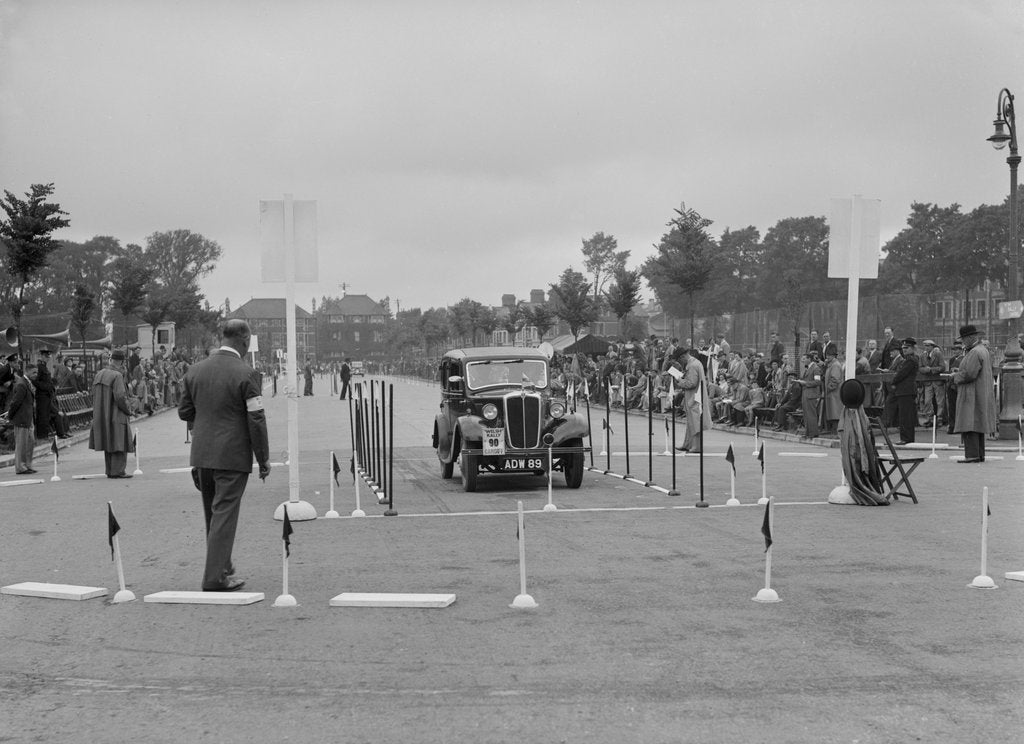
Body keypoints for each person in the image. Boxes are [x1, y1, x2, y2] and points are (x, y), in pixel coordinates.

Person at [178, 319, 270, 592]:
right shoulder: (247, 374)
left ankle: (224, 566)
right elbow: (256, 419)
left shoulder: (195, 371)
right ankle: (215, 577)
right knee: (225, 515)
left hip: (202, 455)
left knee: (213, 515)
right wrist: (262, 458)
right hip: (232, 455)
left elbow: (185, 411)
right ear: (244, 339)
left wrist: (208, 421)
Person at [950, 325, 996, 463]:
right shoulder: (983, 350)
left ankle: (971, 455)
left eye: (963, 339)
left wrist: (955, 376)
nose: (962, 342)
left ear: (970, 338)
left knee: (969, 423)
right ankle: (979, 454)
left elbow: (969, 374)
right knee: (978, 424)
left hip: (972, 392)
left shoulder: (974, 352)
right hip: (981, 391)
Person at [88, 349, 136, 478]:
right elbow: (120, 397)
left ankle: (109, 470)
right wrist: (129, 410)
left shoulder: (100, 374)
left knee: (108, 441)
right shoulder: (117, 375)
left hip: (102, 413)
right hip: (116, 413)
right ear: (121, 361)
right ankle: (118, 471)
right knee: (119, 441)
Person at [672, 348, 712, 453]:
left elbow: (691, 383)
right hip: (694, 397)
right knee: (691, 423)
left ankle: (696, 447)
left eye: (679, 360)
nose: (680, 363)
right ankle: (688, 444)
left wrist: (680, 381)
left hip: (694, 398)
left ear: (683, 357)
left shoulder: (692, 366)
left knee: (695, 423)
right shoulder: (695, 363)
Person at [6, 357, 36, 474]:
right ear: (27, 371)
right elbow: (15, 402)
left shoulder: (27, 383)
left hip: (28, 418)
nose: (36, 374)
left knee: (30, 442)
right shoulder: (21, 384)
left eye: (36, 372)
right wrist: (10, 416)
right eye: (34, 372)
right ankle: (20, 467)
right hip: (21, 418)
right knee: (21, 444)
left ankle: (28, 465)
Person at [892, 338, 919, 444]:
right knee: (905, 415)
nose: (904, 350)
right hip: (905, 391)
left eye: (907, 348)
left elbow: (901, 374)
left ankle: (906, 438)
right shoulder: (909, 359)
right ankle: (907, 437)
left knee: (905, 416)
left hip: (906, 391)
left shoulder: (910, 360)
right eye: (903, 348)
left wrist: (894, 381)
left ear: (912, 348)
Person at [917, 339, 946, 427]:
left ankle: (940, 418)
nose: (926, 347)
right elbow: (920, 367)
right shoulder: (922, 355)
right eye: (925, 346)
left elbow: (942, 367)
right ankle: (929, 418)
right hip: (928, 382)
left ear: (932, 346)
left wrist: (932, 370)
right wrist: (925, 370)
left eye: (928, 346)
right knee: (927, 401)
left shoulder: (938, 354)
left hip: (937, 381)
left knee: (939, 401)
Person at [797, 352, 822, 438]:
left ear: (809, 359)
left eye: (804, 359)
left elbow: (818, 382)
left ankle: (813, 433)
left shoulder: (815, 368)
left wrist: (805, 383)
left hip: (811, 394)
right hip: (806, 394)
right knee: (806, 414)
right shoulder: (808, 368)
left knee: (811, 414)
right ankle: (808, 432)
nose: (803, 360)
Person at [822, 347, 843, 433]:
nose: (827, 357)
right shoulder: (830, 365)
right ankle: (832, 429)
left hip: (834, 392)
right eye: (827, 355)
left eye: (829, 355)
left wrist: (828, 388)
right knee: (832, 410)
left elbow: (835, 379)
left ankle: (835, 429)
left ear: (834, 356)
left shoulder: (835, 365)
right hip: (832, 392)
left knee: (835, 411)